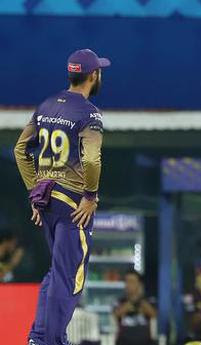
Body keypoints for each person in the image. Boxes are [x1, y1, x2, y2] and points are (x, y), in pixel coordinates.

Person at [14, 48, 109, 345]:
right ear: (93, 75)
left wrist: (34, 192)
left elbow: (20, 150)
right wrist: (90, 196)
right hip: (73, 205)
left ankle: (39, 337)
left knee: (56, 273)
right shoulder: (89, 112)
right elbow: (92, 160)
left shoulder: (46, 105)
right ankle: (52, 340)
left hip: (47, 202)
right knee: (71, 277)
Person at [113, 270, 157, 345]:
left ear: (139, 284)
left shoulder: (149, 300)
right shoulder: (119, 301)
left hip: (145, 342)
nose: (128, 284)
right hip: (124, 342)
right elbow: (116, 314)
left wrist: (139, 298)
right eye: (126, 281)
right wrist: (131, 301)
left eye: (132, 281)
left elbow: (153, 314)